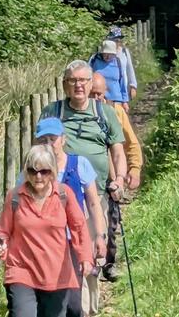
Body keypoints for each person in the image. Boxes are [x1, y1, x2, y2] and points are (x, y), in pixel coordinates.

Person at [40, 60, 127, 316]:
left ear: (91, 84)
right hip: (53, 196)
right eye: (72, 81)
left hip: (93, 194)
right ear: (65, 85)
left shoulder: (105, 114)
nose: (78, 85)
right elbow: (38, 149)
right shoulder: (52, 112)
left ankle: (86, 309)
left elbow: (118, 151)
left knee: (88, 253)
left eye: (83, 80)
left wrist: (119, 179)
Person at [17, 117, 108, 317]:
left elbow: (93, 203)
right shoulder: (29, 173)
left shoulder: (79, 164)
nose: (48, 144)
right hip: (39, 246)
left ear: (63, 139)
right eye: (43, 140)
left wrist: (99, 236)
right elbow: (16, 205)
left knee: (74, 304)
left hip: (71, 243)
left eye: (53, 138)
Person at [0, 144, 93, 317]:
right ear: (26, 171)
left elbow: (79, 227)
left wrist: (85, 258)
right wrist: (0, 242)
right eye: (32, 171)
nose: (38, 176)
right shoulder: (15, 196)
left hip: (56, 275)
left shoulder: (63, 194)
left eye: (44, 171)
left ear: (52, 172)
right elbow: (3, 230)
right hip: (21, 271)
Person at [90, 72, 143, 282]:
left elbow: (131, 143)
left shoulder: (116, 112)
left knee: (111, 224)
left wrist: (134, 169)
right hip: (86, 180)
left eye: (99, 94)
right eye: (92, 94)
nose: (96, 99)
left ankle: (109, 264)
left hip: (110, 180)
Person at [89, 40, 129, 112]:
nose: (108, 56)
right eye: (105, 54)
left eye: (110, 54)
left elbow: (122, 83)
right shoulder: (94, 60)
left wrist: (125, 101)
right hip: (98, 98)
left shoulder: (118, 62)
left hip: (116, 100)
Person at [106, 26, 138, 101]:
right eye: (115, 40)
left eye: (119, 40)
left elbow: (130, 69)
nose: (118, 42)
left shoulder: (124, 52)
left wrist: (133, 86)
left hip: (123, 88)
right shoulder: (105, 53)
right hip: (109, 88)